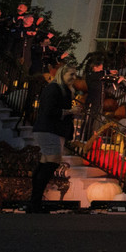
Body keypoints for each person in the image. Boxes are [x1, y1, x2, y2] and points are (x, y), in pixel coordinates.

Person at [30, 64, 78, 213]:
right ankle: (35, 203)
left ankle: (35, 202)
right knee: (51, 164)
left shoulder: (61, 90)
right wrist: (70, 111)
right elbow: (49, 110)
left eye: (75, 75)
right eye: (71, 74)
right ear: (62, 75)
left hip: (50, 130)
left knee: (45, 164)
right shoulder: (54, 89)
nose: (73, 78)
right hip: (49, 130)